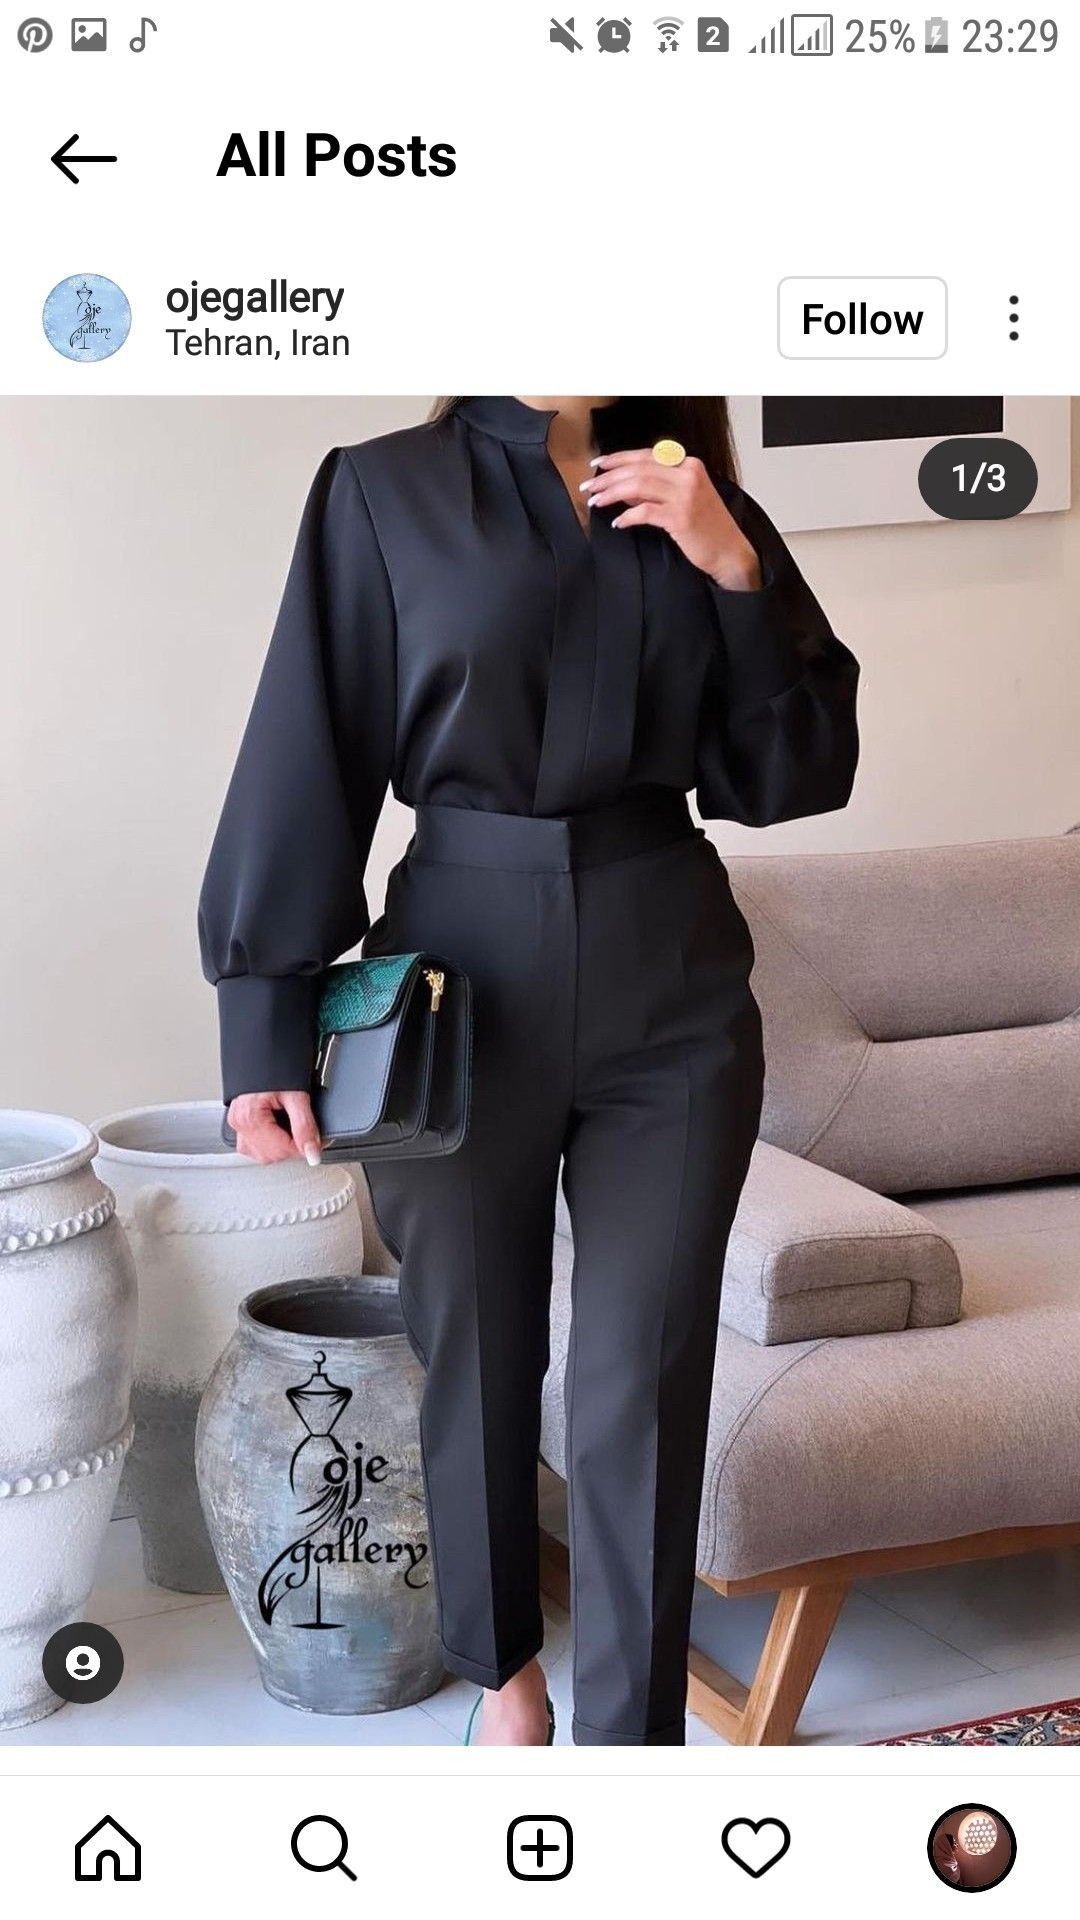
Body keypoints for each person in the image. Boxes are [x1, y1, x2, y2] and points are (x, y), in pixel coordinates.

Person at [199, 396, 860, 1745]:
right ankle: (505, 1682)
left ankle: (628, 1752)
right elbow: (307, 747)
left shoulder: (697, 494)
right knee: (475, 1351)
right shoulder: (382, 491)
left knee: (643, 1379)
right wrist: (263, 1021)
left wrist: (734, 571)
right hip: (455, 983)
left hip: (671, 980)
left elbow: (793, 774)